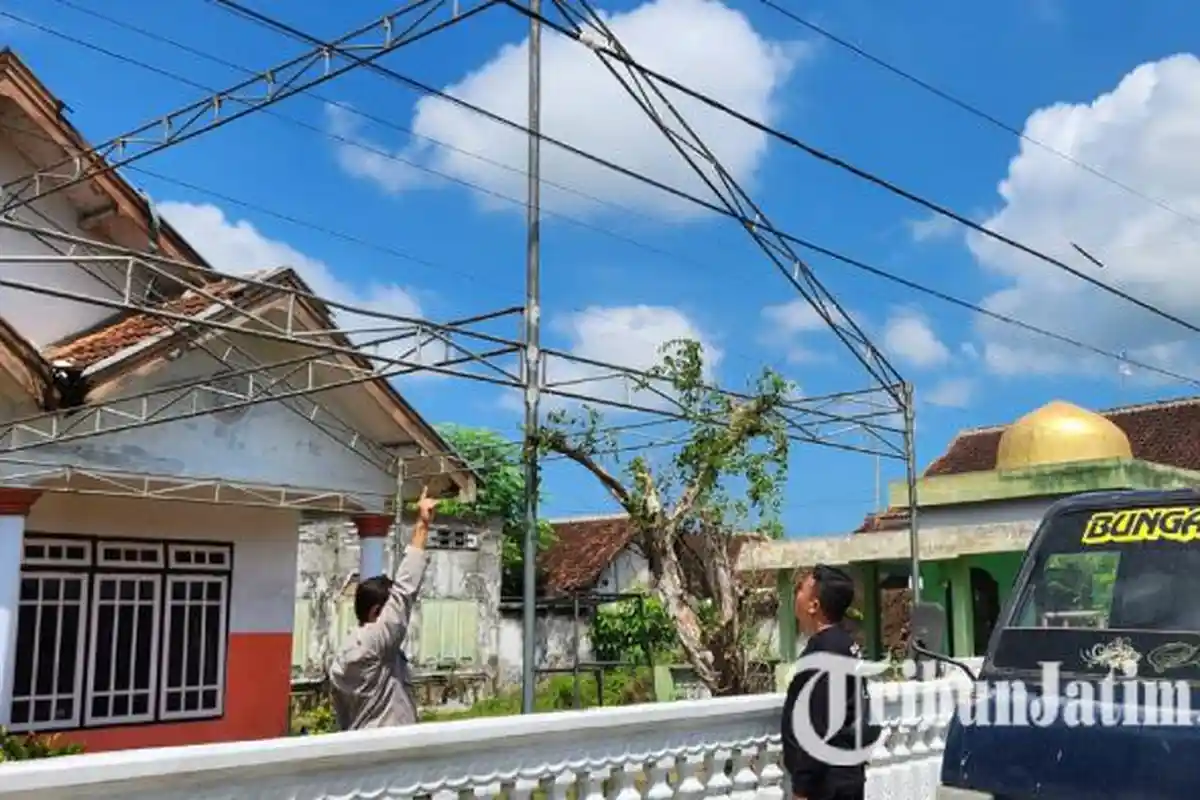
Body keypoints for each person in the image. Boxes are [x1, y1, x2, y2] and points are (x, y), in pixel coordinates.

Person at [329, 486, 436, 730]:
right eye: (388, 610)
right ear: (376, 612)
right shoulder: (377, 643)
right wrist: (422, 525)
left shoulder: (346, 651)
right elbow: (405, 590)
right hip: (390, 752)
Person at [781, 564, 878, 800]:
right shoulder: (844, 644)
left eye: (801, 589)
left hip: (826, 783)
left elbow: (817, 727)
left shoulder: (824, 653)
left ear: (814, 606)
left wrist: (802, 788)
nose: (796, 594)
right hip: (846, 774)